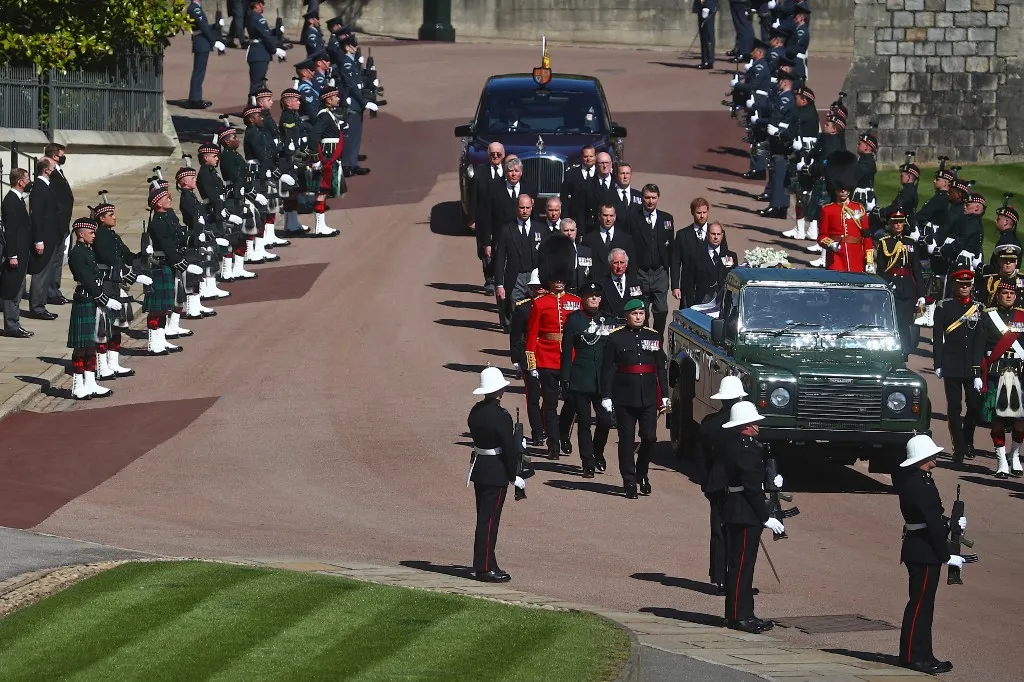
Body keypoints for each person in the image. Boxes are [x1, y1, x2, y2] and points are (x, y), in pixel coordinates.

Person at [893, 434, 965, 675]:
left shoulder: (920, 480)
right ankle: (913, 657)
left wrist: (951, 522)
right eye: (932, 453)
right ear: (923, 457)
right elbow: (931, 523)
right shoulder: (919, 484)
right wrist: (946, 555)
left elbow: (931, 517)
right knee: (919, 606)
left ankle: (923, 654)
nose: (936, 456)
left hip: (922, 548)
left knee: (925, 606)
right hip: (923, 551)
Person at [720, 400, 783, 634]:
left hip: (741, 509)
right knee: (741, 568)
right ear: (747, 425)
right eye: (755, 421)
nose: (758, 425)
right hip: (744, 512)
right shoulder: (746, 449)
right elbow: (752, 488)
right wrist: (765, 516)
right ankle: (739, 616)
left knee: (744, 567)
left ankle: (744, 613)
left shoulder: (740, 444)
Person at [601, 298, 669, 498]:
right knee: (626, 440)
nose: (638, 317)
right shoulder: (615, 338)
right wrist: (606, 396)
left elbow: (660, 368)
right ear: (626, 316)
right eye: (634, 314)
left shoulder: (654, 336)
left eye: (641, 314)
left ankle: (642, 472)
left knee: (649, 437)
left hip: (648, 397)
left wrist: (665, 395)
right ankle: (629, 480)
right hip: (624, 397)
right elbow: (608, 370)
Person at [467, 366, 525, 583]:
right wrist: (514, 475)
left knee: (484, 519)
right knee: (489, 522)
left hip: (481, 468)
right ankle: (484, 567)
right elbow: (508, 449)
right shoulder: (501, 416)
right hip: (496, 471)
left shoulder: (475, 411)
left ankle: (487, 562)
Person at [525, 235, 582, 460]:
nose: (558, 281)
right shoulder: (539, 304)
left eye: (561, 277)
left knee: (572, 401)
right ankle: (553, 445)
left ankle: (562, 433)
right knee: (549, 405)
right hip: (546, 358)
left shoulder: (575, 302)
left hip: (570, 358)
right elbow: (532, 336)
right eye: (555, 277)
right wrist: (532, 365)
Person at [91, 198, 153, 379]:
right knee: (104, 327)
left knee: (117, 325)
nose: (114, 217)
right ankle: (102, 366)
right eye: (110, 215)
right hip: (105, 283)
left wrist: (142, 254)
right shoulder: (100, 236)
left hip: (115, 283)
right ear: (101, 218)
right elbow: (111, 261)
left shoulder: (113, 235)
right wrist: (133, 276)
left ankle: (113, 363)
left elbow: (126, 256)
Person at [561, 281, 617, 477]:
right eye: (590, 295)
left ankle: (597, 452)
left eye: (597, 296)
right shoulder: (574, 320)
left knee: (605, 420)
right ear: (583, 298)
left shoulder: (609, 320)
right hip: (581, 378)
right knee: (584, 422)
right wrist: (565, 379)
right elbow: (566, 353)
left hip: (602, 380)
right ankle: (587, 463)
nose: (594, 298)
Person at [699, 375, 747, 594]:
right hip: (737, 484)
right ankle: (733, 577)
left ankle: (718, 576)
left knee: (718, 531)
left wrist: (706, 481)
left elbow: (703, 457)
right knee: (736, 532)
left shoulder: (709, 423)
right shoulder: (742, 425)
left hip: (715, 483)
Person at [66, 218, 122, 400]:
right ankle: (77, 386)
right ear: (81, 234)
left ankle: (90, 382)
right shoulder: (77, 254)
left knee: (91, 344)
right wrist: (104, 299)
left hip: (92, 299)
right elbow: (87, 279)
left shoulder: (88, 250)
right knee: (81, 346)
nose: (94, 235)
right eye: (91, 233)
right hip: (85, 299)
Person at [933, 269, 985, 463]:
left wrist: (978, 369)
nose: (964, 288)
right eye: (961, 284)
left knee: (974, 406)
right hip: (952, 364)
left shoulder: (978, 308)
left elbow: (980, 340)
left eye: (967, 285)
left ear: (971, 286)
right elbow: (937, 337)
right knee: (954, 408)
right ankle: (959, 447)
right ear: (954, 285)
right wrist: (938, 363)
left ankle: (968, 440)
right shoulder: (944, 307)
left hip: (972, 366)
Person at [980, 281, 1024, 479]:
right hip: (996, 373)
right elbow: (979, 345)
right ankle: (1001, 461)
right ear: (997, 295)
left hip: (1019, 373)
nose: (1008, 296)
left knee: (1020, 420)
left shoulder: (1022, 316)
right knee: (997, 419)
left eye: (1011, 293)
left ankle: (1014, 455)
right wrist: (977, 373)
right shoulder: (988, 316)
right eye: (1004, 293)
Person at [625, 184, 674, 336]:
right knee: (642, 311)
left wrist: (668, 270)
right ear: (642, 198)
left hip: (660, 272)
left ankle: (657, 339)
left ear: (658, 198)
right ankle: (643, 338)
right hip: (641, 272)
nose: (650, 201)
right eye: (647, 197)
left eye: (653, 198)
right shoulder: (633, 218)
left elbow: (670, 246)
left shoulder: (666, 219)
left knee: (661, 310)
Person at [875, 211, 923, 356]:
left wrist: (921, 294)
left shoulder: (910, 243)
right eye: (895, 222)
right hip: (892, 286)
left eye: (900, 222)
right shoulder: (885, 243)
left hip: (907, 288)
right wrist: (883, 287)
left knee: (906, 323)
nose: (898, 225)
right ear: (890, 224)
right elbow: (881, 269)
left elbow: (916, 269)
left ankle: (904, 352)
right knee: (892, 321)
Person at [817, 150, 875, 273]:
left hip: (856, 258)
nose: (843, 191)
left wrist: (869, 261)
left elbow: (867, 237)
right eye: (840, 188)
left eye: (846, 188)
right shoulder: (827, 210)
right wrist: (830, 244)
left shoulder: (859, 209)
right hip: (836, 259)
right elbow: (822, 236)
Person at [510, 269, 546, 445]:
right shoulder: (523, 308)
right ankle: (537, 432)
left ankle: (546, 426)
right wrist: (516, 359)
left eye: (541, 286)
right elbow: (516, 335)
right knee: (533, 397)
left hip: (548, 355)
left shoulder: (553, 305)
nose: (539, 290)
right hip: (529, 356)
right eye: (535, 287)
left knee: (549, 396)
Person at [26, 158, 62, 321]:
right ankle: (37, 308)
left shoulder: (47, 185)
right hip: (44, 239)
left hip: (51, 236)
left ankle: (41, 304)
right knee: (41, 272)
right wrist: (38, 240)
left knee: (47, 272)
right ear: (46, 170)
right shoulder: (39, 188)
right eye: (53, 167)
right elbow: (37, 217)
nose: (55, 170)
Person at [1, 168, 34, 337]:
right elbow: (11, 231)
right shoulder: (11, 201)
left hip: (22, 251)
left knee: (19, 287)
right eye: (27, 179)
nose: (29, 182)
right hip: (16, 253)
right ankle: (11, 325)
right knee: (12, 288)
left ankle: (15, 322)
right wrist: (12, 255)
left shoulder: (18, 199)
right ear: (20, 182)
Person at [186, 0, 225, 109]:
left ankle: (196, 98)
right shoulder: (195, 8)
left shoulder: (196, 7)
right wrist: (213, 42)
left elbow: (204, 26)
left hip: (202, 42)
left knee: (200, 72)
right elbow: (203, 26)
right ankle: (194, 100)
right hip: (201, 42)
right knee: (198, 72)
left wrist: (215, 25)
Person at [245, 0, 286, 96]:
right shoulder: (258, 18)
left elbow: (263, 32)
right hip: (260, 53)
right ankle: (253, 104)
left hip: (257, 52)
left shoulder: (252, 17)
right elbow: (265, 36)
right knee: (257, 84)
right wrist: (274, 50)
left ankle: (254, 104)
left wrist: (276, 31)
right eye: (262, 5)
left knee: (258, 83)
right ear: (257, 5)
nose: (263, 7)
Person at [694, 0, 718, 69]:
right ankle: (706, 60)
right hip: (703, 5)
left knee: (707, 34)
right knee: (704, 34)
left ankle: (708, 60)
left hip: (707, 5)